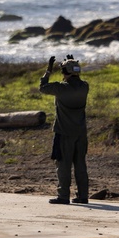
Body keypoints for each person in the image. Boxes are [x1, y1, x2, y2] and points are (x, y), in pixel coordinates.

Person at [39, 55, 89, 205]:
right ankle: (83, 196)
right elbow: (75, 80)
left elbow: (43, 88)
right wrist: (71, 64)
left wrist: (48, 70)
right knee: (80, 164)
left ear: (65, 72)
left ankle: (63, 196)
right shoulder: (84, 86)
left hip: (64, 132)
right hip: (81, 133)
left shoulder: (60, 88)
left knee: (63, 165)